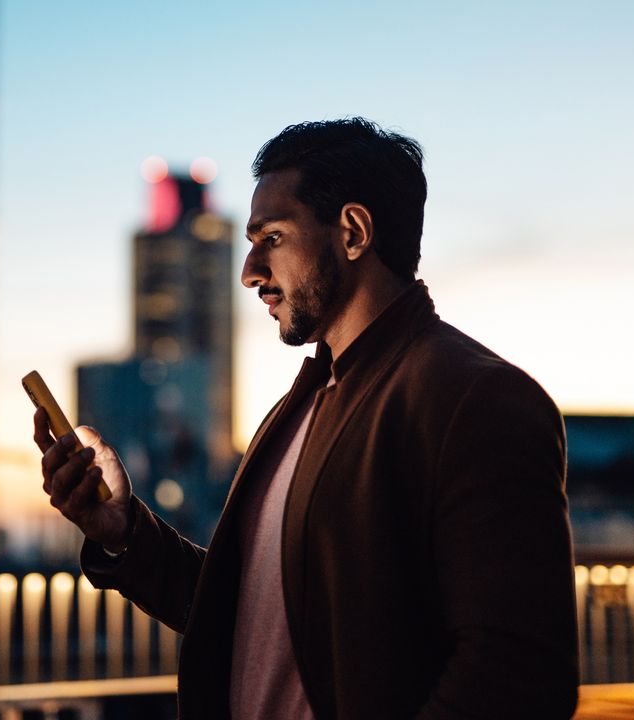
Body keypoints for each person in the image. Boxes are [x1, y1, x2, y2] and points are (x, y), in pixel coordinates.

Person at [33, 118, 579, 719]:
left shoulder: (477, 400)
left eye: (271, 237)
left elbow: (520, 678)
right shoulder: (303, 405)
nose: (249, 272)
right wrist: (123, 531)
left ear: (352, 232)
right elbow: (248, 614)